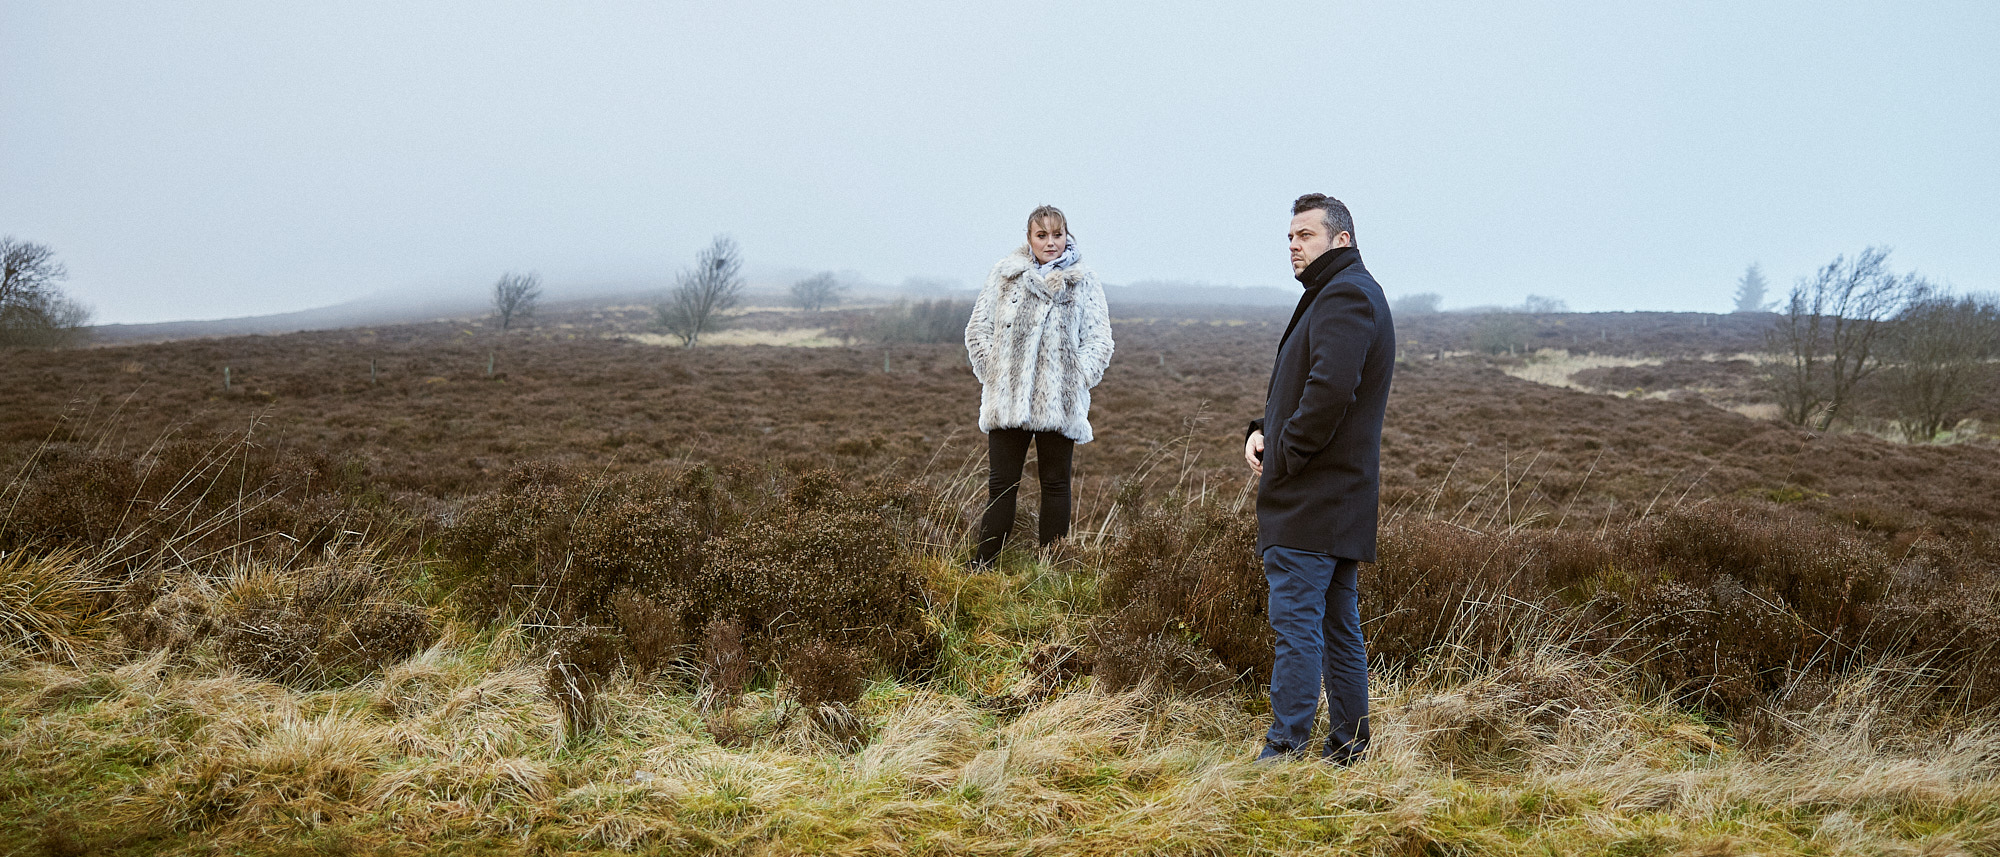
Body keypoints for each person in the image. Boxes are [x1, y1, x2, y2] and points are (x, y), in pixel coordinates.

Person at [1243, 194, 1395, 764]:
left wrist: (1282, 458)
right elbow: (1307, 387)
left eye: (1305, 235)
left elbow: (1330, 393)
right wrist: (1263, 430)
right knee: (1336, 626)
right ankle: (1348, 750)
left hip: (1312, 498)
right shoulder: (1340, 292)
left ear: (1341, 239)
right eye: (1289, 237)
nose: (1293, 245)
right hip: (1334, 499)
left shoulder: (1345, 295)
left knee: (1297, 628)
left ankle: (1284, 751)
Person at [964, 205, 1115, 566]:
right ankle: (982, 566)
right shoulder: (1005, 275)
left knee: (1056, 485)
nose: (1051, 243)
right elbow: (978, 329)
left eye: (1057, 235)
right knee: (1002, 486)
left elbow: (1099, 340)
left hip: (1059, 402)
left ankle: (1052, 570)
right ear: (1029, 238)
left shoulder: (1084, 281)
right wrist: (996, 373)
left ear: (1067, 236)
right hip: (1008, 398)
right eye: (1042, 235)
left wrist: (1076, 378)